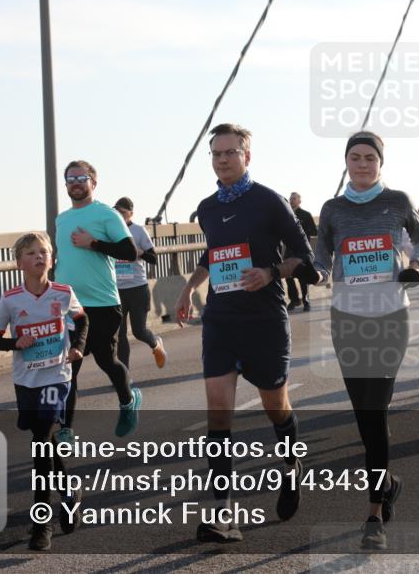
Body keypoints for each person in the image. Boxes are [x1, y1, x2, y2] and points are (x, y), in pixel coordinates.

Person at [173, 123, 313, 543]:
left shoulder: (269, 201)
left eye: (230, 152)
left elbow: (303, 255)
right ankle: (223, 513)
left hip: (264, 321)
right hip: (221, 320)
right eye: (216, 153)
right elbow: (212, 254)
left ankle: (291, 465)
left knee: (276, 408)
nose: (222, 159)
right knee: (218, 415)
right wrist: (188, 288)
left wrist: (270, 272)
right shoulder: (207, 208)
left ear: (246, 156)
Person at [311, 131, 419, 550]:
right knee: (364, 415)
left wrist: (417, 263)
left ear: (381, 163)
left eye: (369, 158)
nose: (362, 164)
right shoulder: (332, 208)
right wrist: (319, 272)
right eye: (355, 157)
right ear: (346, 162)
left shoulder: (397, 201)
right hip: (347, 317)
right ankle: (388, 483)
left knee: (375, 413)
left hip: (389, 316)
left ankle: (374, 515)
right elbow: (322, 254)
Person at [0, 232, 87, 551]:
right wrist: (15, 343)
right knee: (43, 438)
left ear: (52, 259)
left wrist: (78, 346)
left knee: (41, 439)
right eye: (30, 253)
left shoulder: (63, 292)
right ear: (19, 263)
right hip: (26, 381)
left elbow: (82, 320)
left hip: (57, 376)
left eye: (43, 252)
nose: (38, 257)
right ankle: (69, 491)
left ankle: (42, 524)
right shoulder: (11, 300)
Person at [55, 160, 141, 440]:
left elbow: (130, 252)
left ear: (93, 182)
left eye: (81, 178)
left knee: (107, 360)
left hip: (103, 304)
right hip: (70, 308)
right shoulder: (61, 219)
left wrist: (93, 243)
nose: (76, 184)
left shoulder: (107, 214)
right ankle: (66, 430)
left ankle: (128, 401)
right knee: (69, 368)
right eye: (70, 179)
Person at [113, 197, 167, 369]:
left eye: (122, 212)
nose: (119, 215)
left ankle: (155, 343)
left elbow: (154, 258)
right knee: (120, 335)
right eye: (116, 212)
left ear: (131, 214)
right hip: (116, 290)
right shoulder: (110, 231)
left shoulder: (138, 231)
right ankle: (125, 375)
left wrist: (140, 252)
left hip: (137, 288)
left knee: (139, 331)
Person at [285, 192, 318, 312]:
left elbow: (314, 231)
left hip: (302, 250)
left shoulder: (306, 215)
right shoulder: (285, 214)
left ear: (299, 201)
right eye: (290, 199)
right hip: (289, 251)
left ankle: (306, 300)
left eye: (294, 198)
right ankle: (294, 299)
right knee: (288, 275)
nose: (291, 200)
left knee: (303, 277)